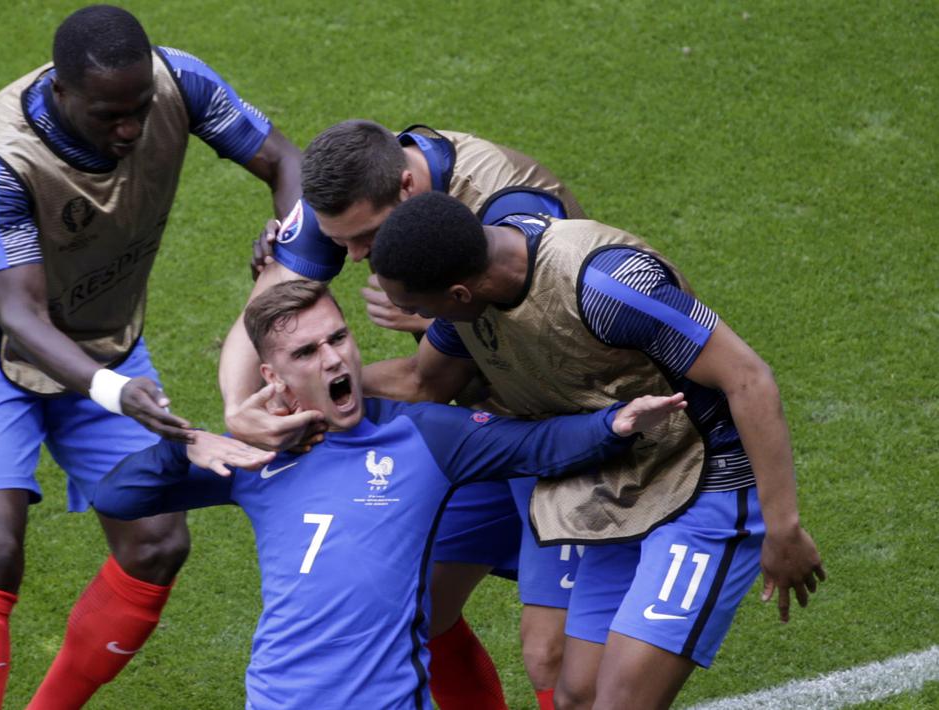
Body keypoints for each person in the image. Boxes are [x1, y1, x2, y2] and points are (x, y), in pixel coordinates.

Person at [0, 6, 301, 708]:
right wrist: (113, 391)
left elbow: (284, 160)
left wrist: (290, 247)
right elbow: (18, 313)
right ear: (62, 93)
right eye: (110, 115)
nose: (131, 128)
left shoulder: (177, 81)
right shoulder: (3, 156)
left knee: (158, 544)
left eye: (139, 108)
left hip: (104, 338)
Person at [94, 279, 688, 710]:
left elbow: (534, 446)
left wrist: (613, 425)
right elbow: (117, 496)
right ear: (273, 379)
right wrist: (187, 444)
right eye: (306, 353)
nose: (333, 358)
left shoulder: (422, 436)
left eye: (338, 338)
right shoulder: (254, 454)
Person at [365, 192, 827, 710]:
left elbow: (749, 378)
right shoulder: (471, 296)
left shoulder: (606, 286)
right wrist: (312, 389)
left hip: (707, 485)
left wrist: (783, 527)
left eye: (414, 309)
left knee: (622, 702)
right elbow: (422, 381)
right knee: (577, 695)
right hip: (619, 491)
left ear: (458, 294)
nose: (412, 319)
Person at [219, 119, 586, 709]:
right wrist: (242, 410)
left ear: (410, 190)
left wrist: (311, 382)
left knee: (552, 654)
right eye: (340, 243)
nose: (356, 256)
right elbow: (266, 306)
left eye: (364, 238)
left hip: (560, 425)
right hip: (479, 429)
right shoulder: (351, 194)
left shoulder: (507, 218)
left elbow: (427, 381)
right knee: (422, 609)